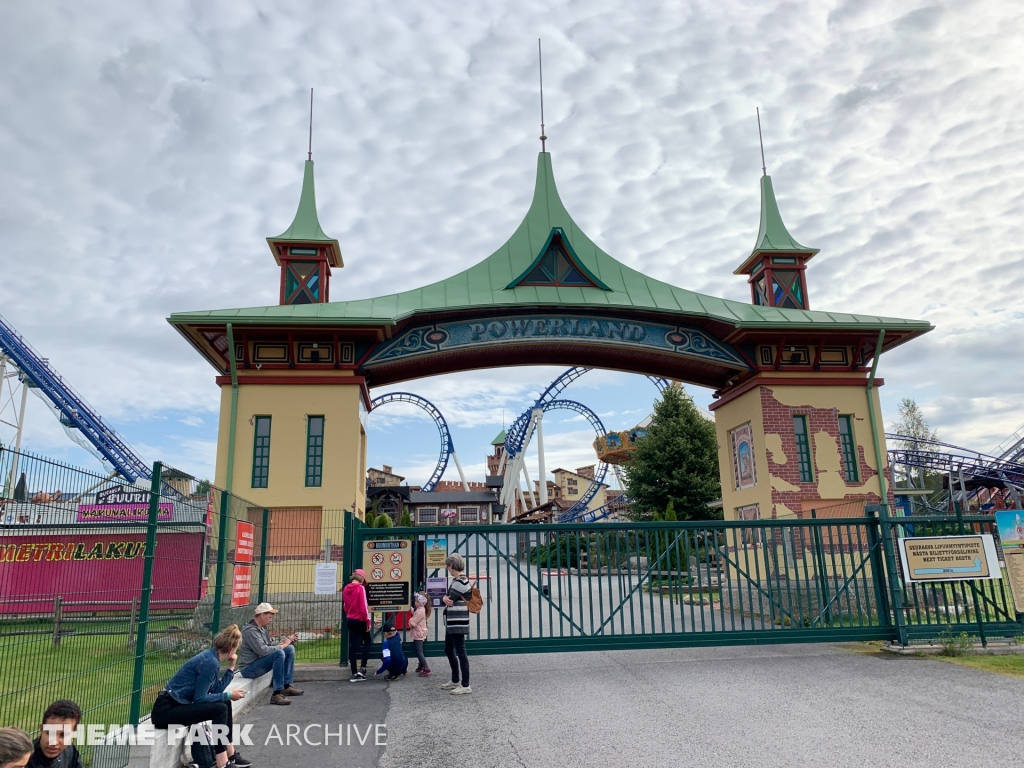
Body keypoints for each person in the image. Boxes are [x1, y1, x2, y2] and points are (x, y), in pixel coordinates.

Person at [150, 624, 252, 768]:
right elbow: (200, 698)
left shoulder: (212, 658)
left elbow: (216, 690)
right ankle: (222, 762)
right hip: (166, 710)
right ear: (232, 650)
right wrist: (229, 694)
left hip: (178, 706)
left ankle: (231, 753)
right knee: (221, 708)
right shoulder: (209, 662)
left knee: (225, 703)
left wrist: (230, 669)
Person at [237, 603, 303, 706]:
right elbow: (263, 651)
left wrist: (285, 643)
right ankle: (276, 694)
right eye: (269, 617)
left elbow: (268, 645)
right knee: (279, 653)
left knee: (289, 649)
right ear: (262, 615)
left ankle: (286, 686)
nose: (271, 620)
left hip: (258, 662)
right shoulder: (250, 631)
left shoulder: (261, 628)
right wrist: (282, 646)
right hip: (249, 668)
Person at [440, 554, 472, 695]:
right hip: (453, 621)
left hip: (457, 621)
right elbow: (447, 599)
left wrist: (444, 598)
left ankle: (465, 684)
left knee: (460, 652)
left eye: (448, 566)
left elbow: (449, 599)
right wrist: (445, 598)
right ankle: (455, 680)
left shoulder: (461, 582)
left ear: (452, 566)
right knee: (448, 649)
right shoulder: (459, 580)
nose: (448, 569)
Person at [26, 700, 82, 768]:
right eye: (49, 733)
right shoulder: (24, 760)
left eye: (63, 735)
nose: (54, 742)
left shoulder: (70, 752)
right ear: (41, 729)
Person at [342, 569, 371, 682]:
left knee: (352, 647)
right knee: (367, 642)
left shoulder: (346, 588)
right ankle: (362, 668)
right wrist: (367, 621)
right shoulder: (360, 588)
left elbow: (345, 605)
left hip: (350, 619)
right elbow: (363, 606)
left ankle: (354, 672)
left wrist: (350, 613)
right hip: (360, 620)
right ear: (362, 578)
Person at [408, 592, 431, 677]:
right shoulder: (420, 610)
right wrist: (413, 611)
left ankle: (426, 668)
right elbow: (417, 616)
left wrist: (410, 620)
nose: (415, 603)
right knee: (418, 650)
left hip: (418, 633)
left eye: (417, 602)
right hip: (419, 633)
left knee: (419, 651)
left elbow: (413, 623)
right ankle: (421, 664)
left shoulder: (420, 611)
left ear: (421, 603)